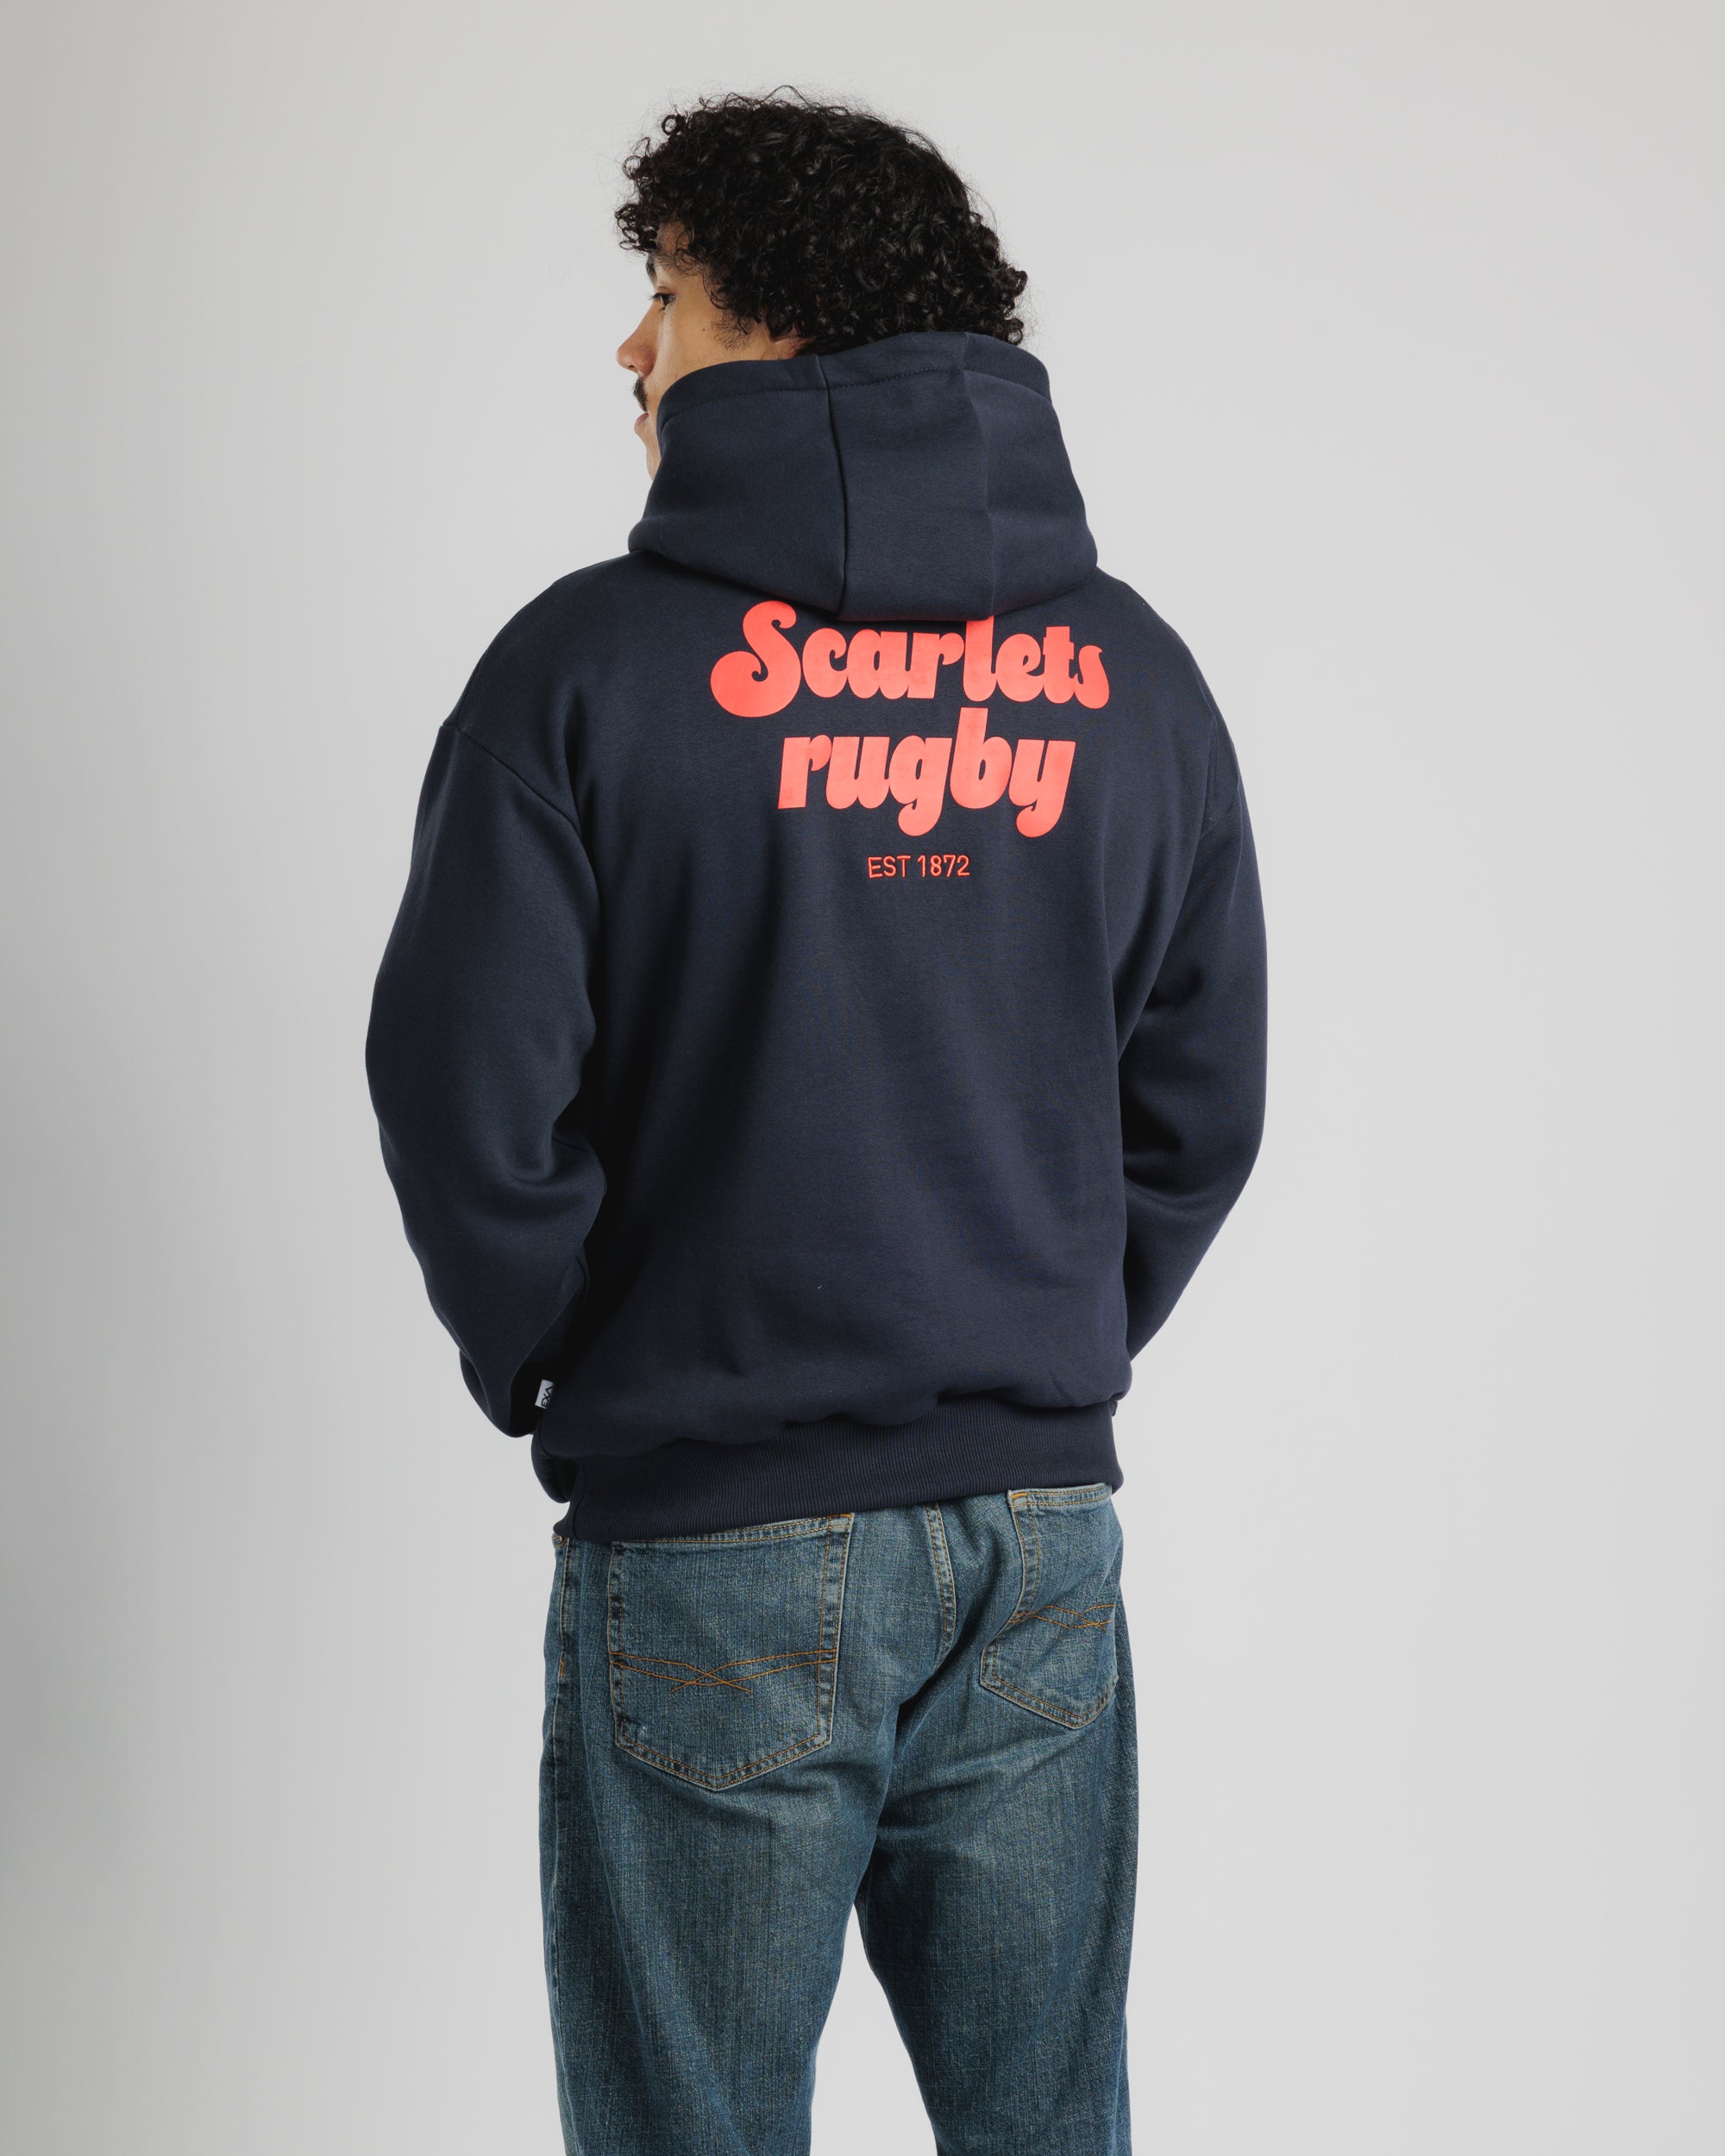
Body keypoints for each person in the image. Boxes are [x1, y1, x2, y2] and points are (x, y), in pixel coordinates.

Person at [366, 90, 1267, 2156]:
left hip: (713, 1530)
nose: (630, 346)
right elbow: (1202, 1090)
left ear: (769, 324)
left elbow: (463, 1086)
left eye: (664, 295)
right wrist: (1036, 1329)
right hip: (1034, 1541)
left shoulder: (580, 672)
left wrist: (583, 1357)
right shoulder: (1133, 678)